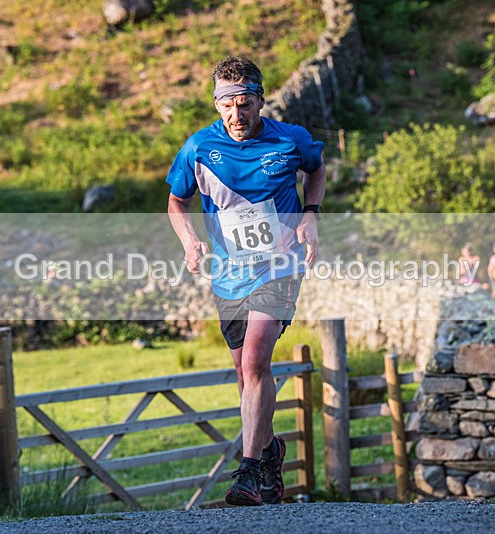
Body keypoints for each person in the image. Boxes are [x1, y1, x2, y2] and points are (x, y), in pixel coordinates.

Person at [166, 56, 326, 506]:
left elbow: (316, 168)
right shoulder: (198, 148)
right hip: (229, 274)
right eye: (227, 105)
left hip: (280, 266)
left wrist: (310, 217)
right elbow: (177, 202)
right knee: (245, 376)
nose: (237, 115)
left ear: (260, 100)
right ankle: (270, 450)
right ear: (217, 105)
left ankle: (249, 474)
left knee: (256, 360)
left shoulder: (290, 139)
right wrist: (190, 243)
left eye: (245, 103)